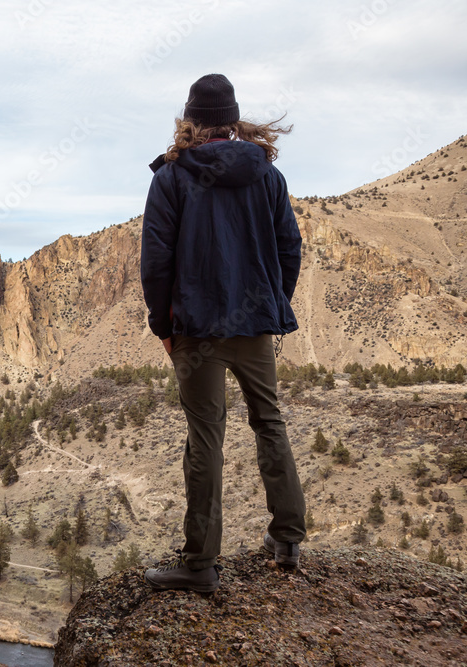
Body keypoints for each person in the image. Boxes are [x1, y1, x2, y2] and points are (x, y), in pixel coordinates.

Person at [140, 73, 307, 593]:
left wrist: (162, 326)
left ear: (191, 120)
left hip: (197, 329)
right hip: (255, 323)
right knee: (269, 421)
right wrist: (274, 304)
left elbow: (156, 262)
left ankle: (200, 566)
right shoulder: (268, 175)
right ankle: (287, 540)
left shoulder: (170, 177)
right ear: (233, 120)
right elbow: (289, 248)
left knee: (205, 435)